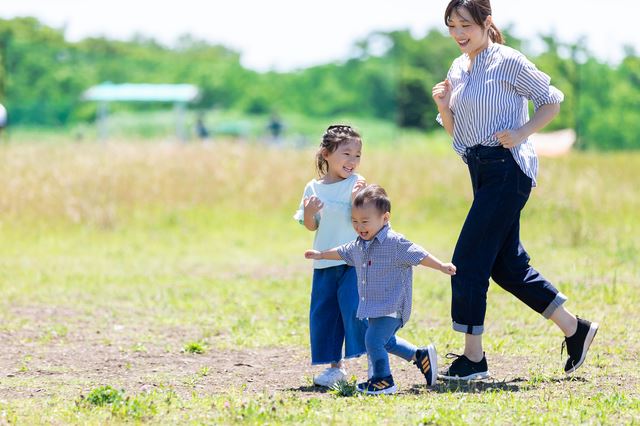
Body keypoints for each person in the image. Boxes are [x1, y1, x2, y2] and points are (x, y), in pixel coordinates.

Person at [432, 0, 598, 381]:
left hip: (508, 169)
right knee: (506, 266)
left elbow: (551, 100)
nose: (458, 34)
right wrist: (443, 106)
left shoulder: (508, 60)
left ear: (486, 23)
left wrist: (523, 132)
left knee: (468, 262)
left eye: (465, 26)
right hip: (479, 169)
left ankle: (473, 359)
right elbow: (458, 133)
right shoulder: (458, 68)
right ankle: (576, 330)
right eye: (452, 26)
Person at [305, 185, 457, 395]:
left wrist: (441, 265)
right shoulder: (360, 245)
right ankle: (420, 356)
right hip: (374, 306)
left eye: (365, 222)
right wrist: (321, 255)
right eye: (355, 221)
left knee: (373, 340)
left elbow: (419, 254)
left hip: (392, 305)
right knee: (386, 341)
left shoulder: (395, 243)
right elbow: (342, 252)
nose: (359, 227)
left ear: (384, 218)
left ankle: (383, 380)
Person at [293, 124, 368, 388]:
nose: (352, 161)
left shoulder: (356, 184)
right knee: (326, 313)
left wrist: (359, 197)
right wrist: (311, 212)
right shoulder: (312, 188)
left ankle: (374, 362)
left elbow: (365, 220)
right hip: (324, 262)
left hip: (353, 261)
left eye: (357, 155)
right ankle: (335, 367)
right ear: (326, 153)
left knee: (355, 310)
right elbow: (311, 226)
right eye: (346, 154)